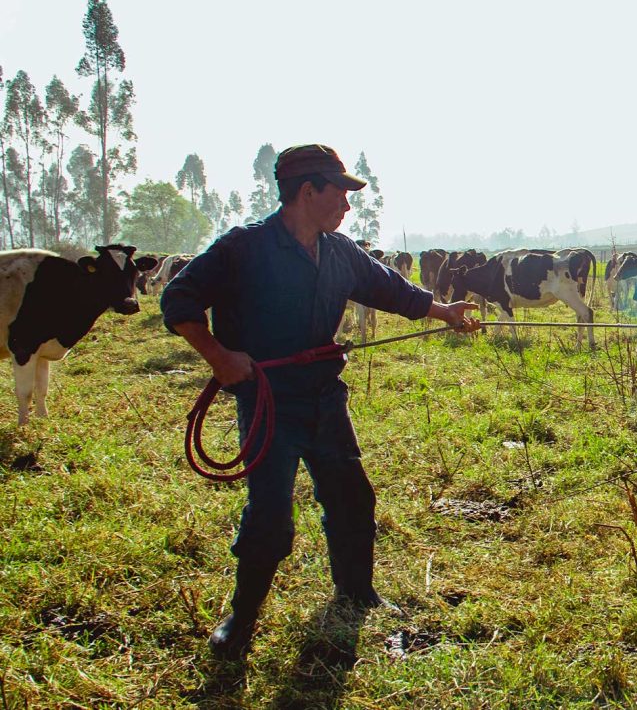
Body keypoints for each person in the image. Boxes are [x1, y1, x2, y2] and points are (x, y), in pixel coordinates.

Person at [161, 143, 481, 659]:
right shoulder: (242, 248)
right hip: (270, 402)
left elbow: (392, 291)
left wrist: (444, 311)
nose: (349, 205)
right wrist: (219, 356)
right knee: (271, 517)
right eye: (341, 193)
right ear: (307, 191)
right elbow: (177, 301)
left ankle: (356, 592)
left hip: (325, 397)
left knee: (352, 497)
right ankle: (240, 621)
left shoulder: (340, 252)